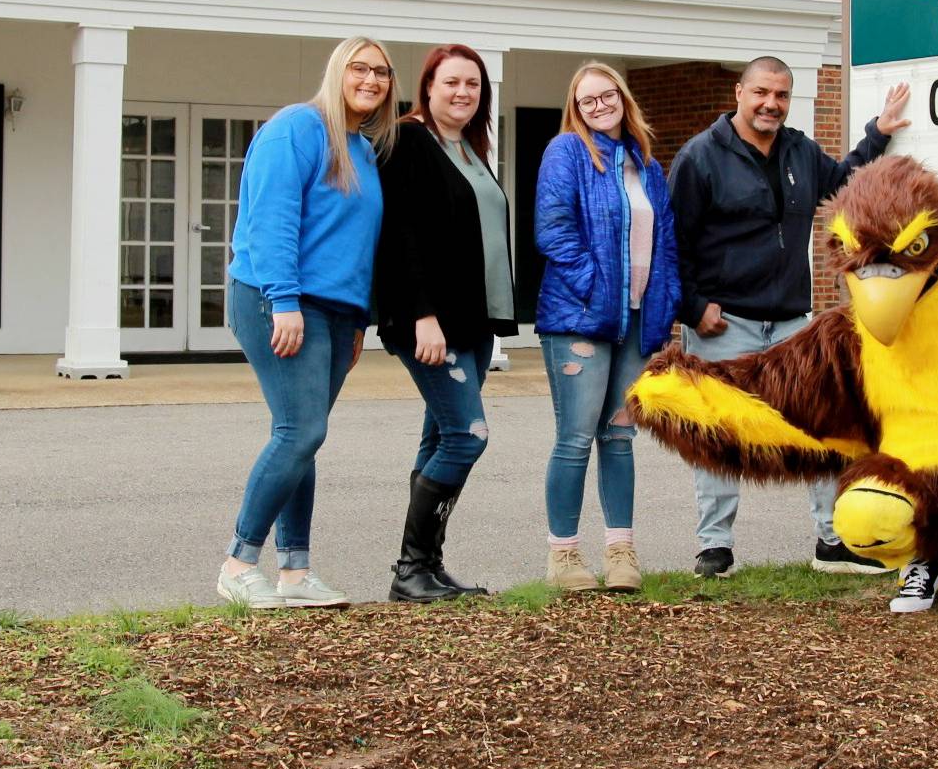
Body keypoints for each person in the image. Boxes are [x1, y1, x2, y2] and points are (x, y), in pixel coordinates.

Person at [668, 56, 910, 578]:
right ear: (739, 92)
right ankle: (715, 547)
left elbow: (842, 181)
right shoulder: (699, 157)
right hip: (723, 322)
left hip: (791, 322)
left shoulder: (799, 149)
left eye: (780, 95)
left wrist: (878, 134)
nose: (770, 104)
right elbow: (674, 245)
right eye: (761, 92)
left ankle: (833, 540)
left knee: (824, 424)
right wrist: (692, 307)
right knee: (720, 432)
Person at [216, 37, 399, 611]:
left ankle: (295, 572)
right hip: (279, 298)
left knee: (304, 435)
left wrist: (358, 322)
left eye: (382, 72)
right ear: (338, 71)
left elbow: (358, 244)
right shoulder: (297, 127)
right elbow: (272, 219)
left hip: (336, 312)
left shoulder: (364, 149)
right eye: (360, 67)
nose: (371, 79)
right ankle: (239, 562)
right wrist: (284, 300)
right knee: (301, 431)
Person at [375, 43, 517, 602]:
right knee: (467, 435)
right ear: (428, 86)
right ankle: (412, 567)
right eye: (452, 82)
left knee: (439, 434)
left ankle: (423, 568)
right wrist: (422, 316)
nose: (463, 93)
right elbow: (400, 235)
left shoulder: (470, 149)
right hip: (432, 322)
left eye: (473, 85)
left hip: (474, 320)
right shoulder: (409, 140)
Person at [533, 62, 681, 592]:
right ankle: (563, 558)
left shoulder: (648, 166)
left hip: (637, 323)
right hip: (580, 319)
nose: (599, 105)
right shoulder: (568, 153)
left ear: (623, 97)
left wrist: (664, 312)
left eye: (607, 95)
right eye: (587, 99)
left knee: (619, 437)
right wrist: (598, 289)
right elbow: (554, 232)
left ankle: (621, 552)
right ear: (576, 108)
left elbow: (664, 247)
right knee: (574, 438)